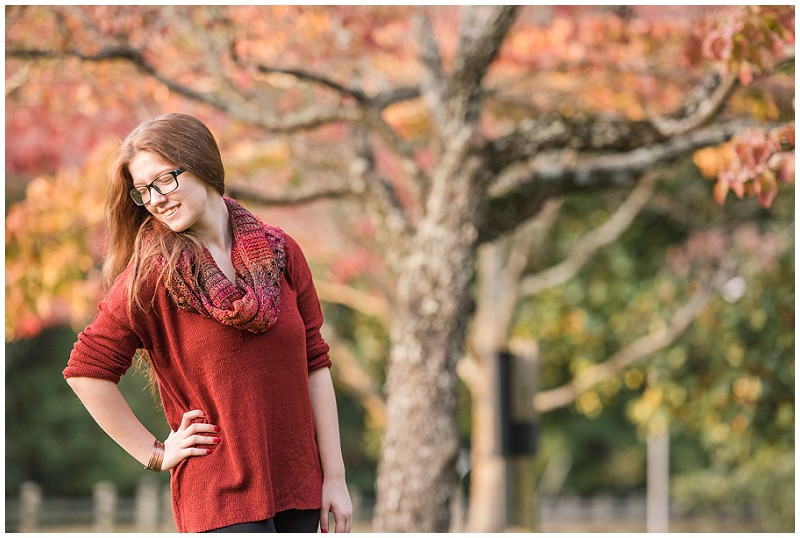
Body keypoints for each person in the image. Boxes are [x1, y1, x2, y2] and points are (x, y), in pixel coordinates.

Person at [63, 112, 353, 533]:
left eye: (164, 179)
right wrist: (155, 452)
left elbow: (315, 365)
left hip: (300, 492)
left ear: (202, 165)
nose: (156, 199)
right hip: (219, 502)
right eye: (143, 191)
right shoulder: (153, 275)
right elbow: (85, 370)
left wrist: (336, 479)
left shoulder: (282, 253)